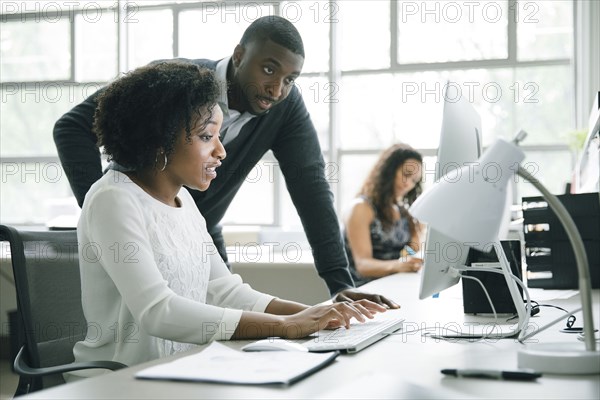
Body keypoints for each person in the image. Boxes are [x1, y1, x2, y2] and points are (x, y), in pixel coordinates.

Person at [53, 15, 397, 308]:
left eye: (290, 80)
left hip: (200, 232)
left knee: (225, 328)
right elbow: (71, 128)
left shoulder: (285, 108)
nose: (277, 89)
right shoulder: (178, 84)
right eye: (268, 69)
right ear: (238, 56)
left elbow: (311, 187)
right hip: (140, 228)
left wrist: (340, 285)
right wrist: (103, 211)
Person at [71, 61, 385, 377]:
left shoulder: (186, 202)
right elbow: (158, 312)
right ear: (159, 140)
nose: (221, 151)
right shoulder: (113, 199)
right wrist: (284, 327)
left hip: (180, 373)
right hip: (120, 382)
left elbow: (226, 291)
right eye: (207, 136)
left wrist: (315, 313)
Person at [343, 144, 424, 287]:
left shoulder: (402, 212)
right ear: (389, 170)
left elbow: (406, 252)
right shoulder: (361, 208)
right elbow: (363, 265)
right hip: (364, 291)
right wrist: (398, 265)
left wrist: (413, 247)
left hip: (392, 284)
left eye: (414, 180)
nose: (408, 184)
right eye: (406, 175)